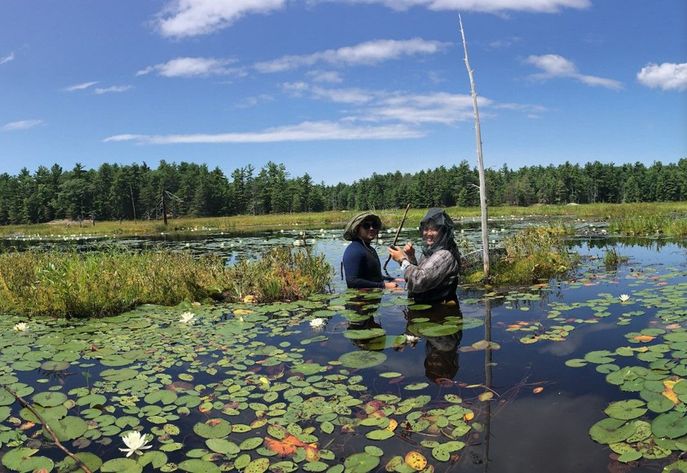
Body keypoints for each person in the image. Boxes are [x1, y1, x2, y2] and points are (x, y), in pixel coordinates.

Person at [388, 208, 461, 303]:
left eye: (434, 229)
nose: (428, 233)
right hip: (426, 309)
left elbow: (418, 281)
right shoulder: (431, 251)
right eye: (426, 229)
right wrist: (411, 257)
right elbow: (418, 274)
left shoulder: (444, 255)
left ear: (443, 231)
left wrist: (402, 260)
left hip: (437, 312)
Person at [342, 212, 398, 289]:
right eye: (366, 226)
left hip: (374, 297)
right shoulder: (354, 251)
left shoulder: (370, 249)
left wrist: (393, 279)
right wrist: (384, 285)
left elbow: (373, 276)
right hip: (359, 299)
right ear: (357, 229)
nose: (371, 228)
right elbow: (352, 282)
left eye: (374, 225)